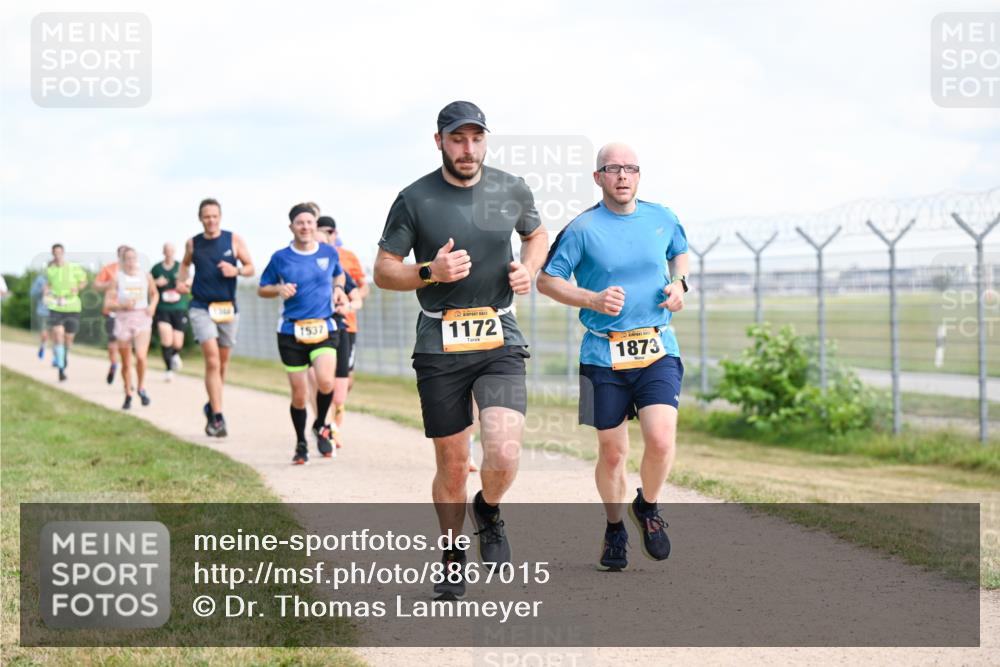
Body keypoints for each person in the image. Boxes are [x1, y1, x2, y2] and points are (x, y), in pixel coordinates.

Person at [374, 101, 548, 599]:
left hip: (498, 335)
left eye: (476, 138)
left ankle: (488, 509)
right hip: (439, 341)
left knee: (504, 447)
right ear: (439, 142)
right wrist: (429, 271)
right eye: (457, 139)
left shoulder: (510, 188)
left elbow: (536, 235)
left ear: (485, 140)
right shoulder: (415, 198)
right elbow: (386, 269)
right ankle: (452, 553)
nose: (467, 148)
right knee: (452, 463)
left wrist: (529, 269)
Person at [537, 142, 689, 572]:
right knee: (612, 452)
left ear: (639, 175)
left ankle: (649, 506)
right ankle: (615, 526)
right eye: (612, 168)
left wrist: (680, 286)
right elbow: (547, 281)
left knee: (660, 439)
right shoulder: (582, 228)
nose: (622, 175)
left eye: (630, 168)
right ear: (597, 177)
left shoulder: (662, 217)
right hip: (601, 354)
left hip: (657, 346)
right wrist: (592, 298)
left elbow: (680, 253)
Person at [258, 204, 348, 464]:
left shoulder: (329, 253)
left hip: (324, 327)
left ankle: (320, 425)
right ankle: (300, 443)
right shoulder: (280, 257)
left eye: (310, 222)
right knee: (299, 395)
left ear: (315, 225)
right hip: (291, 332)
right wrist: (278, 289)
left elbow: (338, 276)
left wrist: (339, 290)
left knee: (326, 382)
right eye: (300, 223)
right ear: (292, 227)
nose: (305, 227)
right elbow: (262, 288)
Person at [177, 198, 255, 437]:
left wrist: (237, 270)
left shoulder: (233, 240)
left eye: (214, 216)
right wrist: (181, 283)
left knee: (222, 365)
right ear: (200, 218)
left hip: (227, 308)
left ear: (220, 217)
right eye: (206, 216)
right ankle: (219, 419)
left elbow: (251, 267)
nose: (210, 220)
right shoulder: (193, 243)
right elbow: (185, 265)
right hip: (201, 306)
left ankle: (212, 405)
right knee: (212, 361)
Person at [315, 215, 366, 441]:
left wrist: (347, 305)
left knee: (343, 379)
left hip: (345, 326)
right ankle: (324, 426)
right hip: (316, 329)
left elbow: (359, 293)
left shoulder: (345, 262)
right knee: (322, 379)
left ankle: (334, 423)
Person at [104, 247, 158, 409]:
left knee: (141, 356)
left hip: (142, 317)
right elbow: (108, 303)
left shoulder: (145, 276)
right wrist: (121, 304)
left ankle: (141, 388)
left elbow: (155, 294)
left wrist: (153, 306)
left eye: (133, 258)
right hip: (123, 318)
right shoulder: (117, 278)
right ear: (122, 261)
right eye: (127, 258)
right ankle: (128, 393)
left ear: (137, 259)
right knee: (126, 362)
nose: (131, 261)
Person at [44, 244, 88, 382]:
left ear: (63, 253)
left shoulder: (73, 267)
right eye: (55, 253)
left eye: (59, 252)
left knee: (68, 338)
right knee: (58, 334)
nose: (57, 255)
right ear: (52, 254)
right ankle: (61, 368)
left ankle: (64, 355)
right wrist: (46, 291)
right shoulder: (50, 270)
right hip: (55, 305)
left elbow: (84, 281)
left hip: (72, 306)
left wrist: (78, 287)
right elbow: (48, 284)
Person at [152, 242, 191, 381]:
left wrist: (181, 285)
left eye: (171, 250)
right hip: (163, 309)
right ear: (163, 252)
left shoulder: (181, 267)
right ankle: (168, 369)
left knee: (177, 342)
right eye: (166, 250)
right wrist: (156, 283)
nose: (169, 253)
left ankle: (175, 355)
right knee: (166, 339)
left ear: (174, 252)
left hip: (179, 308)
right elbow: (149, 288)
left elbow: (189, 288)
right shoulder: (156, 268)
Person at [94, 247, 127, 385]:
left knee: (126, 343)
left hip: (129, 313)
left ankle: (127, 371)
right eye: (122, 253)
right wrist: (110, 283)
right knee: (113, 341)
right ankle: (114, 364)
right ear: (118, 255)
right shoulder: (109, 269)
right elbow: (96, 285)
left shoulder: (134, 271)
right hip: (112, 311)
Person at [29, 271, 50, 360]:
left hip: (59, 310)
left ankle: (57, 357)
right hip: (43, 311)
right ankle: (43, 346)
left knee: (57, 334)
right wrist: (41, 290)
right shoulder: (41, 279)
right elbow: (32, 293)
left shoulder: (63, 278)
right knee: (44, 334)